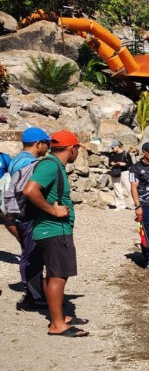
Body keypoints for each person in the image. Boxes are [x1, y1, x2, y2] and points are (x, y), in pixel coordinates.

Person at [22, 130, 87, 337]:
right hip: (54, 230)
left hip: (52, 230)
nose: (77, 153)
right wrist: (53, 210)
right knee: (58, 276)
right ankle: (57, 324)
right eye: (77, 149)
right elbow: (30, 190)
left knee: (55, 274)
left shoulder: (54, 165)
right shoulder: (50, 165)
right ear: (72, 148)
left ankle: (58, 316)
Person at [3, 127, 51, 309]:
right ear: (38, 144)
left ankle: (33, 291)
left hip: (19, 214)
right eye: (46, 143)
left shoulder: (17, 159)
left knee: (27, 253)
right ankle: (33, 295)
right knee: (33, 256)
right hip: (28, 215)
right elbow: (28, 191)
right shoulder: (28, 163)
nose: (48, 147)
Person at [105, 140, 133, 210]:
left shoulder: (126, 154)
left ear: (117, 146)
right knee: (117, 189)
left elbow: (131, 164)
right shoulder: (111, 154)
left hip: (125, 172)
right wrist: (112, 164)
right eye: (111, 148)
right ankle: (120, 205)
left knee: (129, 188)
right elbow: (109, 163)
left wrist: (124, 164)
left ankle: (134, 204)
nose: (112, 149)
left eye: (113, 147)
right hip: (115, 172)